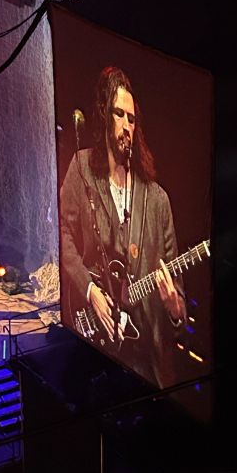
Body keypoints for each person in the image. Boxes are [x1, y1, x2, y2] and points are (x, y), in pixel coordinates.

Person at [60, 66, 188, 389]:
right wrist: (90, 292)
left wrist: (174, 307)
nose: (126, 126)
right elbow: (62, 236)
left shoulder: (157, 201)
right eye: (119, 114)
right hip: (94, 345)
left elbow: (179, 305)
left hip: (143, 360)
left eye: (132, 119)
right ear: (104, 115)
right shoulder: (82, 169)